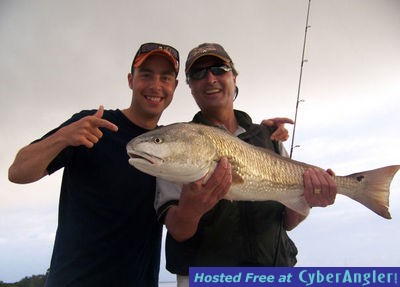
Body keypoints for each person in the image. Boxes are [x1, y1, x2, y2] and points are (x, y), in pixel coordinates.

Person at [8, 42, 291, 287]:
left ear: (176, 87)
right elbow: (18, 172)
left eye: (166, 78)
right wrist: (62, 136)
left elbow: (212, 144)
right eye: (146, 75)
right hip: (75, 279)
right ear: (130, 79)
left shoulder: (176, 143)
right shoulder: (92, 125)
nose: (156, 86)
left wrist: (261, 134)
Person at [155, 43, 337, 287]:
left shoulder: (269, 138)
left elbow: (287, 221)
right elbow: (177, 229)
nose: (210, 79)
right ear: (190, 87)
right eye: (198, 74)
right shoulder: (178, 142)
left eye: (219, 69)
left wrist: (309, 200)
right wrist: (193, 210)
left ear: (234, 76)